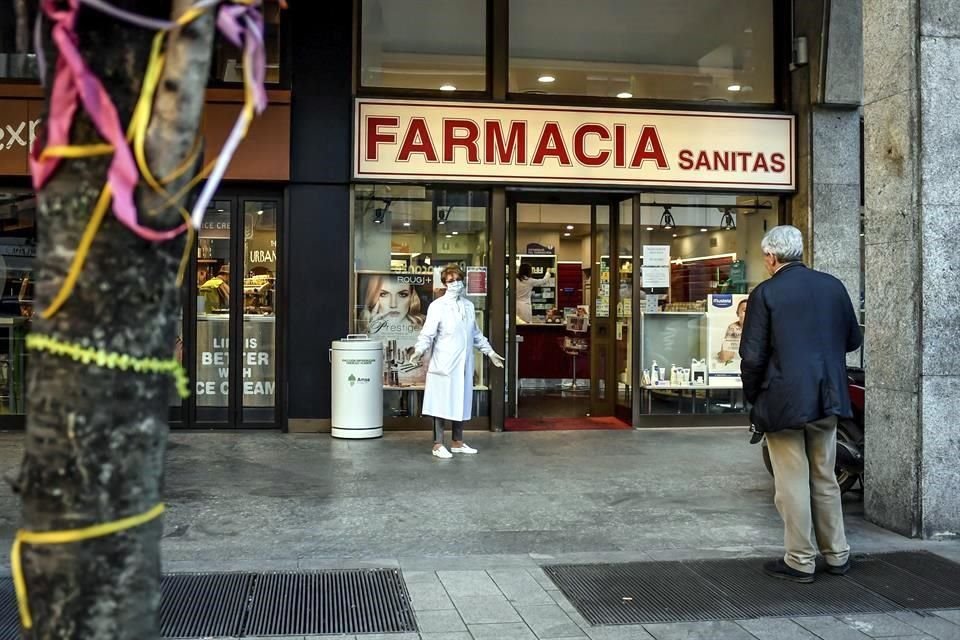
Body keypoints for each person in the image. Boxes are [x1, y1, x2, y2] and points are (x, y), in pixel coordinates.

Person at [739, 225, 862, 583]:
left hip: (784, 401)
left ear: (772, 257)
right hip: (829, 396)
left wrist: (752, 396)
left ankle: (799, 559)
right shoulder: (832, 286)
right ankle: (838, 554)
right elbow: (853, 339)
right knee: (825, 476)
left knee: (791, 481)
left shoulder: (767, 293)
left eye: (764, 257)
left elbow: (752, 356)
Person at [410, 264, 505, 459]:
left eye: (458, 280)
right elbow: (427, 333)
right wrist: (419, 350)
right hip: (444, 363)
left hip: (463, 364)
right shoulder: (438, 306)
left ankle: (457, 442)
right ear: (445, 283)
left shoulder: (468, 306)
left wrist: (490, 352)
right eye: (450, 281)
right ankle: (437, 445)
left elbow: (476, 334)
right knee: (441, 403)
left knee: (460, 402)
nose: (455, 284)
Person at [360, 275, 426, 334]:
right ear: (373, 297)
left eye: (402, 294)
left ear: (411, 296)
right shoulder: (362, 328)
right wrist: (370, 332)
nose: (393, 305)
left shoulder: (424, 331)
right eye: (383, 294)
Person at [717, 299, 747, 364]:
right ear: (737, 314)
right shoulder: (733, 328)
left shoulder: (760, 328)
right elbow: (725, 358)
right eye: (745, 311)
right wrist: (734, 338)